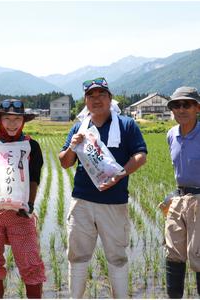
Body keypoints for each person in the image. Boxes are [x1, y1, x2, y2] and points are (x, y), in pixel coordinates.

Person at [59, 77, 147, 298]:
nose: (96, 100)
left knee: (117, 256)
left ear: (110, 98)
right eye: (91, 96)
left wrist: (120, 174)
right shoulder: (80, 127)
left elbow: (140, 155)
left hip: (114, 203)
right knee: (77, 255)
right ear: (86, 101)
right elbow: (65, 162)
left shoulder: (126, 125)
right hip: (82, 202)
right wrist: (72, 146)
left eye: (101, 95)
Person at [0, 99, 46, 298]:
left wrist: (29, 205)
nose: (12, 123)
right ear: (0, 120)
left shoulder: (31, 146)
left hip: (20, 214)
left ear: (23, 120)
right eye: (7, 118)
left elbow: (34, 179)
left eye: (17, 119)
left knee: (30, 262)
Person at [164, 86, 200, 298]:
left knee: (198, 255)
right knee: (173, 254)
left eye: (186, 104)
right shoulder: (171, 134)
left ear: (197, 107)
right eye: (176, 105)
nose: (181, 109)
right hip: (179, 198)